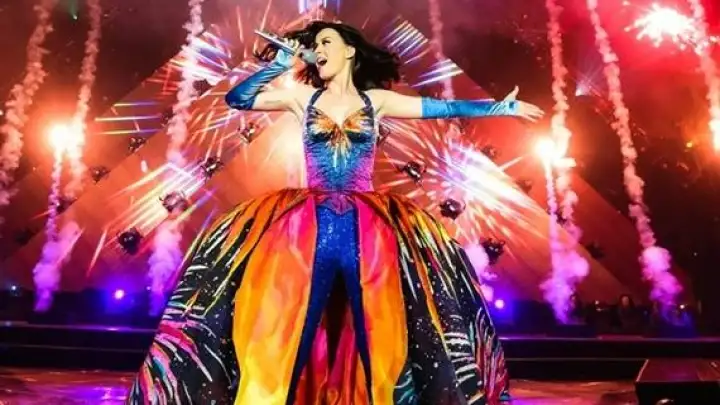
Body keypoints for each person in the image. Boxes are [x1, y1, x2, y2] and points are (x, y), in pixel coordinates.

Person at [127, 20, 543, 405]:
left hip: (368, 228)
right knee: (296, 331)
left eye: (326, 42)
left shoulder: (376, 101)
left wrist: (500, 109)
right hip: (307, 227)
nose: (318, 49)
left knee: (373, 334)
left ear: (350, 51)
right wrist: (279, 66)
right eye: (315, 45)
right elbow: (238, 99)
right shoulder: (301, 97)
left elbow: (443, 109)